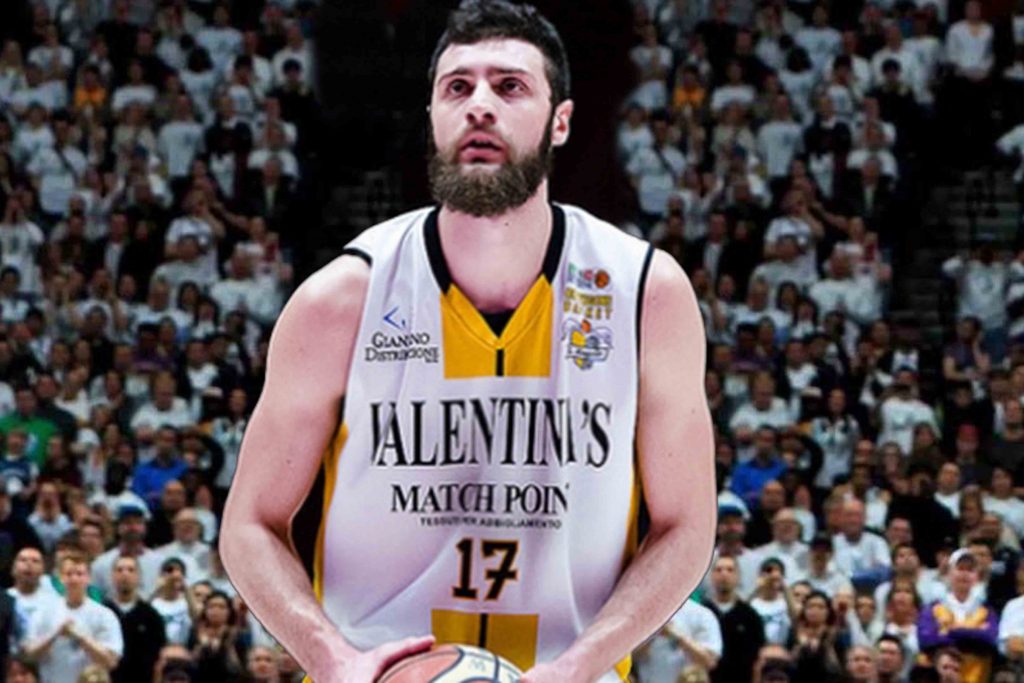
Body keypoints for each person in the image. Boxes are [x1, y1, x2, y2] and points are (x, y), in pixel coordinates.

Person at [219, 2, 717, 682]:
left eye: (509, 86)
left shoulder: (644, 295)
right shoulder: (340, 301)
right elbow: (249, 523)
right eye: (458, 87)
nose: (480, 105)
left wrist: (581, 666)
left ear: (561, 121)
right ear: (432, 115)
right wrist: (332, 660)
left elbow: (687, 526)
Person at [23, 552, 123, 682]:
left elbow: (111, 662)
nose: (74, 579)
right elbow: (29, 656)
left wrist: (81, 637)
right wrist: (55, 634)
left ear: (88, 578)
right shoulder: (44, 612)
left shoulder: (104, 615)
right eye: (69, 574)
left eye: (79, 574)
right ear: (60, 578)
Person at [104, 555, 167, 683]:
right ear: (112, 576)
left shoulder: (151, 616)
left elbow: (159, 658)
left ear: (139, 577)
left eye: (131, 570)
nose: (125, 574)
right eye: (119, 570)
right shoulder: (102, 612)